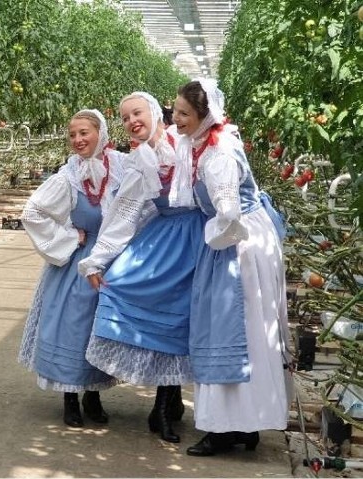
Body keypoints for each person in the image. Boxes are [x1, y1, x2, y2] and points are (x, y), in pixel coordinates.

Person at [169, 79, 292, 456]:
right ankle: (245, 425)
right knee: (248, 330)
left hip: (236, 244)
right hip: (242, 239)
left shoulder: (218, 153)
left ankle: (225, 429)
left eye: (184, 113)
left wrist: (210, 240)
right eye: (174, 110)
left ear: (205, 115)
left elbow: (228, 212)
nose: (176, 119)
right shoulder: (205, 143)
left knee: (230, 329)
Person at [78, 92, 201, 443]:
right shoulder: (140, 160)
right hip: (168, 241)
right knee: (140, 297)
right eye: (125, 116)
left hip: (199, 239)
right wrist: (96, 260)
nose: (132, 120)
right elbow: (125, 212)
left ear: (154, 112)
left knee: (185, 319)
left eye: (137, 112)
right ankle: (162, 409)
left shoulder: (188, 142)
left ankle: (169, 402)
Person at [18, 109, 124, 427]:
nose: (77, 140)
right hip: (78, 263)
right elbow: (32, 212)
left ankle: (93, 395)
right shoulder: (67, 177)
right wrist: (68, 236)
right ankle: (70, 399)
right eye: (73, 135)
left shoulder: (121, 168)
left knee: (100, 326)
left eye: (84, 133)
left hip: (109, 260)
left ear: (100, 134)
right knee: (72, 326)